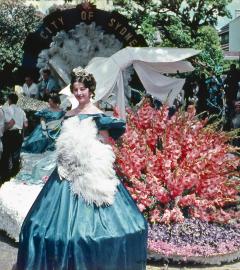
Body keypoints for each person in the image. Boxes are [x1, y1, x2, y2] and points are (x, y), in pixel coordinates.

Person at [16, 67, 148, 270]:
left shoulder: (98, 115)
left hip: (91, 172)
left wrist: (91, 162)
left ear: (90, 90)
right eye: (75, 89)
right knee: (42, 228)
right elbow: (61, 140)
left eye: (82, 89)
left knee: (94, 234)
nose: (78, 93)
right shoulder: (68, 114)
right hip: (64, 175)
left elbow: (105, 144)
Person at [0, 93, 28, 181]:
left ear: (9, 100)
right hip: (18, 134)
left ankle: (5, 176)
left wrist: (3, 131)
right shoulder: (21, 111)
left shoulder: (6, 109)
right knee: (15, 155)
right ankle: (15, 175)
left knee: (6, 155)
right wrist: (22, 134)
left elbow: (9, 123)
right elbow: (26, 124)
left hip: (8, 134)